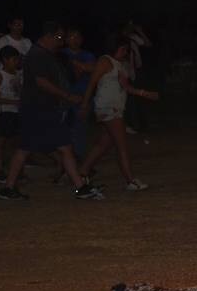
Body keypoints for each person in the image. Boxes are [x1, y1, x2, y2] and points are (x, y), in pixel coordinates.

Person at [0, 22, 103, 201]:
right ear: (48, 36)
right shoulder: (38, 55)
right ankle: (80, 187)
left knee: (30, 148)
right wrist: (67, 96)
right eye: (59, 37)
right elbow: (42, 82)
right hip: (39, 109)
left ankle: (8, 188)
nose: (61, 42)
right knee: (60, 146)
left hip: (39, 108)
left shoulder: (44, 54)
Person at [78, 36, 160, 191]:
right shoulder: (105, 61)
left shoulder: (118, 65)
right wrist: (84, 104)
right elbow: (92, 82)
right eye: (124, 49)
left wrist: (145, 93)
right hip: (109, 108)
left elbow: (126, 87)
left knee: (104, 144)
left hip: (114, 107)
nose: (125, 52)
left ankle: (82, 172)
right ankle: (130, 180)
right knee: (122, 145)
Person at [60, 27, 96, 160]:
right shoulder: (60, 54)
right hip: (63, 97)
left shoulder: (87, 55)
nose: (75, 40)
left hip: (83, 97)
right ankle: (65, 159)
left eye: (77, 37)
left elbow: (92, 69)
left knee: (80, 129)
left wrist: (75, 63)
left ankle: (77, 158)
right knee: (63, 130)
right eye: (72, 37)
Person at [0, 45, 22, 184]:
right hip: (5, 111)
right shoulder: (0, 75)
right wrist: (14, 101)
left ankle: (13, 169)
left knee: (14, 141)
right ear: (5, 60)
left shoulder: (17, 74)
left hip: (15, 112)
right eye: (14, 59)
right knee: (1, 140)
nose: (16, 62)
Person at [120, 21, 152, 133]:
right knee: (128, 98)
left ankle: (140, 124)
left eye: (132, 25)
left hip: (136, 70)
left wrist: (140, 31)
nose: (131, 27)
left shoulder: (133, 37)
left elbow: (148, 44)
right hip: (125, 70)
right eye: (129, 25)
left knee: (139, 96)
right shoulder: (119, 39)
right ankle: (129, 124)